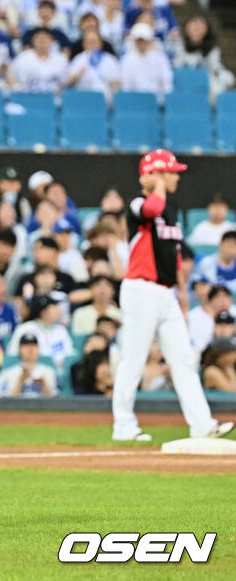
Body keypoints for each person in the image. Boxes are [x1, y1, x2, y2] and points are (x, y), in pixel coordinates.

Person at [111, 149, 233, 442]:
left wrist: (181, 290)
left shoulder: (171, 208)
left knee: (183, 358)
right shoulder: (139, 202)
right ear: (155, 174)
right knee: (134, 359)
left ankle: (202, 424)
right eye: (171, 171)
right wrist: (157, 184)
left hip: (165, 292)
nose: (177, 176)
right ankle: (124, 425)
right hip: (141, 289)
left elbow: (174, 251)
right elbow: (150, 209)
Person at [6, 294, 74, 369]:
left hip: (60, 373)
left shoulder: (61, 330)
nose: (58, 309)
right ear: (43, 312)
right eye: (54, 306)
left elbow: (70, 354)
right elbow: (12, 355)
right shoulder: (25, 329)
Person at [174, 16, 234, 99]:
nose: (196, 27)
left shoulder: (213, 50)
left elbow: (217, 68)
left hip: (205, 87)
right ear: (187, 27)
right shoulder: (178, 45)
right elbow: (175, 66)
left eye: (201, 25)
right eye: (194, 24)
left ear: (207, 30)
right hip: (182, 83)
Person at [0, 333, 57, 397]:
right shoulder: (9, 373)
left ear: (39, 349)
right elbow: (3, 401)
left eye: (33, 345)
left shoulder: (48, 372)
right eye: (26, 345)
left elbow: (55, 401)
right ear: (19, 350)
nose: (30, 348)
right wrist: (20, 382)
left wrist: (43, 384)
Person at [120, 23, 172, 101]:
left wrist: (164, 101)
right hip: (135, 102)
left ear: (149, 41)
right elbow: (126, 85)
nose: (141, 44)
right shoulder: (127, 59)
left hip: (157, 101)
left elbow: (166, 82)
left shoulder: (160, 58)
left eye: (144, 40)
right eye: (139, 41)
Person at [8, 27, 67, 94]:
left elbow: (65, 82)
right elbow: (10, 75)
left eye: (45, 38)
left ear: (51, 40)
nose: (42, 41)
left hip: (53, 96)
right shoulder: (23, 58)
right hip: (29, 97)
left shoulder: (60, 59)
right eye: (39, 38)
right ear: (33, 40)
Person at [65, 29, 120, 101]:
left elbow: (117, 83)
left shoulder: (110, 59)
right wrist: (79, 74)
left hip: (105, 100)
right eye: (89, 42)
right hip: (83, 99)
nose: (92, 44)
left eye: (94, 41)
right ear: (84, 44)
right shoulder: (78, 59)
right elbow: (68, 82)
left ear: (100, 43)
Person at [188, 285, 233, 354]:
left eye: (226, 296)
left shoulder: (234, 314)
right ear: (210, 301)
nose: (223, 301)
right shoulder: (194, 318)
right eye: (218, 297)